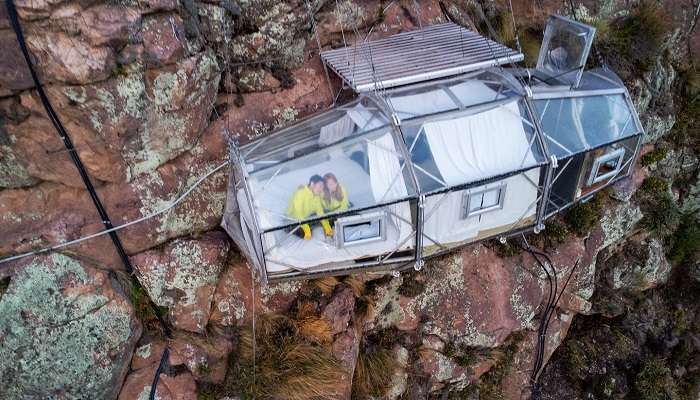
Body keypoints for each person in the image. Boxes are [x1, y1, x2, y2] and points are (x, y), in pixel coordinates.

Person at [286, 175, 333, 240]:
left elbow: (320, 213)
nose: (321, 189)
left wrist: (328, 229)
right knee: (307, 233)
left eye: (322, 187)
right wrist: (307, 230)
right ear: (312, 184)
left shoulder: (316, 195)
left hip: (306, 218)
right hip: (291, 222)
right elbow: (298, 214)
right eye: (320, 186)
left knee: (331, 216)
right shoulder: (300, 193)